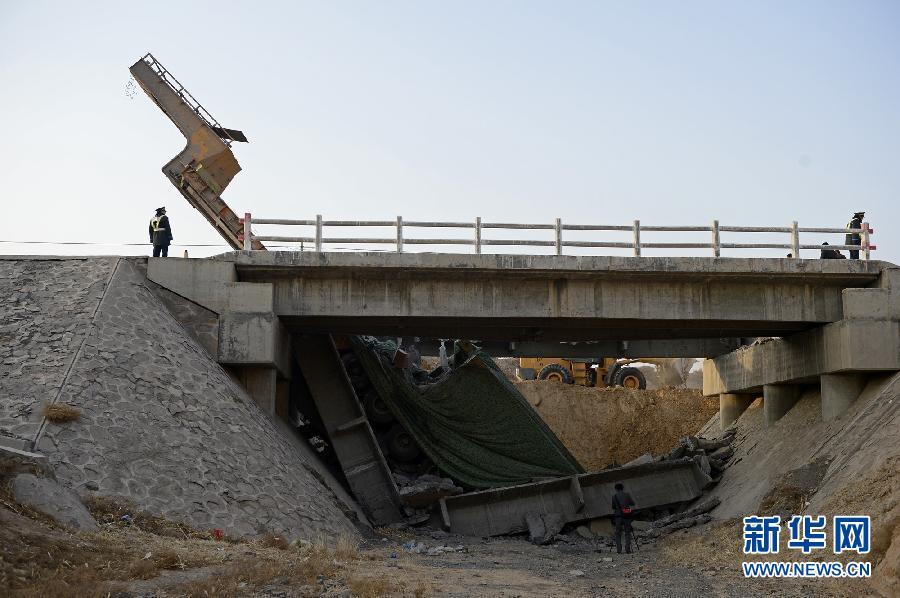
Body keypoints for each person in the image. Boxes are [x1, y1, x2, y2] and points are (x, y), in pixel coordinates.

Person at [612, 482, 636, 554]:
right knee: (627, 532)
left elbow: (613, 507)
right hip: (626, 515)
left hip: (618, 516)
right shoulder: (627, 495)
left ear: (616, 489)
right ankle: (627, 549)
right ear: (623, 488)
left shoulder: (614, 496)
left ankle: (619, 549)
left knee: (618, 533)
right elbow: (632, 503)